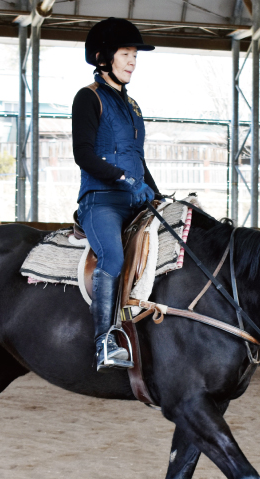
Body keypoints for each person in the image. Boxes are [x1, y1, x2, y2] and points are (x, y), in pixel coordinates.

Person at [73, 17, 161, 372]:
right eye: (125, 54)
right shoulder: (88, 98)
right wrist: (124, 179)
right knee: (111, 256)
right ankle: (104, 343)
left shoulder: (133, 106)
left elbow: (137, 157)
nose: (132, 62)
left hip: (136, 199)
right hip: (102, 200)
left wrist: (155, 192)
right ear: (103, 57)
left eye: (134, 56)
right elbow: (85, 155)